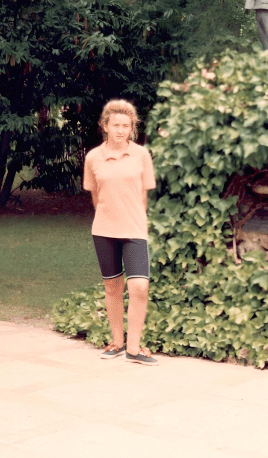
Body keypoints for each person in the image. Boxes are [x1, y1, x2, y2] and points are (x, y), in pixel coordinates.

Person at [83, 99, 158, 365]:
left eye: (126, 126)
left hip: (134, 230)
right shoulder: (93, 157)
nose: (120, 130)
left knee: (139, 287)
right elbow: (95, 195)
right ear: (105, 126)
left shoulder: (141, 155)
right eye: (116, 125)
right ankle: (117, 342)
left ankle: (134, 349)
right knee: (113, 287)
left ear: (132, 128)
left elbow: (143, 195)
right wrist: (109, 217)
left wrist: (133, 217)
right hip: (104, 230)